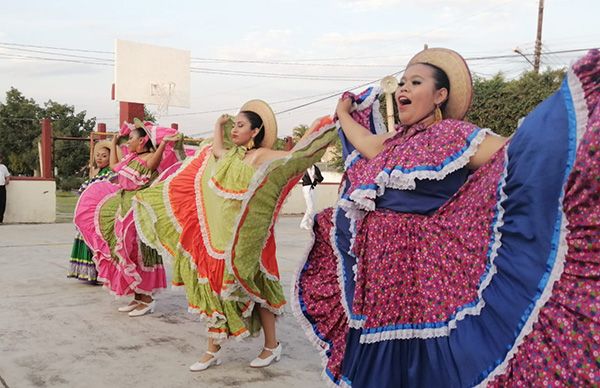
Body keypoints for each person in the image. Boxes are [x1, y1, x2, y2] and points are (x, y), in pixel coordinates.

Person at [293, 48, 599, 387]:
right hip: (380, 282)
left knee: (432, 363)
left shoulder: (457, 135)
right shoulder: (392, 143)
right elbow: (362, 139)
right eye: (403, 82)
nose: (403, 89)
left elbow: (517, 154)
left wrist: (561, 128)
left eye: (416, 82)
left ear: (440, 95)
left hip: (427, 277)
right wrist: (342, 112)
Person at [133, 100, 336, 371]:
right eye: (234, 125)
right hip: (218, 236)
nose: (234, 130)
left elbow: (293, 158)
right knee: (215, 288)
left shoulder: (262, 155)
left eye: (241, 126)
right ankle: (212, 350)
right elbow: (216, 149)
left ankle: (272, 346)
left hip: (250, 236)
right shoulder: (230, 155)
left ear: (255, 131)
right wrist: (218, 125)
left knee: (260, 289)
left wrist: (319, 131)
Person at [74, 121, 182, 317]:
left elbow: (153, 164)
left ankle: (147, 299)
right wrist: (114, 142)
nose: (129, 141)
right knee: (127, 252)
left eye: (131, 138)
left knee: (139, 252)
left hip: (139, 211)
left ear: (142, 141)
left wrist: (164, 144)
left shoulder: (149, 158)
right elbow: (115, 166)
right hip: (124, 207)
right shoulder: (132, 157)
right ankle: (138, 297)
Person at [67, 141, 115, 282]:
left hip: (98, 216)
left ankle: (101, 274)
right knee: (85, 238)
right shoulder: (97, 173)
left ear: (110, 157)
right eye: (98, 155)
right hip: (88, 215)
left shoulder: (111, 174)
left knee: (97, 242)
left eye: (104, 156)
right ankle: (89, 273)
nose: (99, 158)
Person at [300, 164, 324, 230]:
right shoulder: (304, 167)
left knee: (312, 207)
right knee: (310, 207)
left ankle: (308, 223)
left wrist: (317, 177)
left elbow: (321, 179)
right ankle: (306, 223)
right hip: (306, 188)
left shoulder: (316, 168)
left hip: (313, 188)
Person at [0, 154, 10, 224]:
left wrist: (7, 181)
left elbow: (8, 176)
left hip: (2, 187)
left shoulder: (3, 167)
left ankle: (0, 220)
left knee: (2, 203)